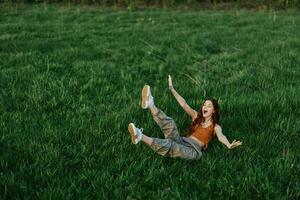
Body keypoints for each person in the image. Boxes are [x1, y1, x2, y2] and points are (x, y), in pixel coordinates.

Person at [128, 75, 242, 161]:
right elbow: (184, 104)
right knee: (171, 124)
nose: (204, 107)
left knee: (170, 145)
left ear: (214, 110)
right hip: (182, 141)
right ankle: (150, 104)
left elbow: (221, 137)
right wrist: (172, 88)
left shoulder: (215, 127)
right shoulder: (197, 117)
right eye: (204, 105)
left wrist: (228, 144)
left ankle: (140, 136)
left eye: (209, 106)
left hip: (193, 151)